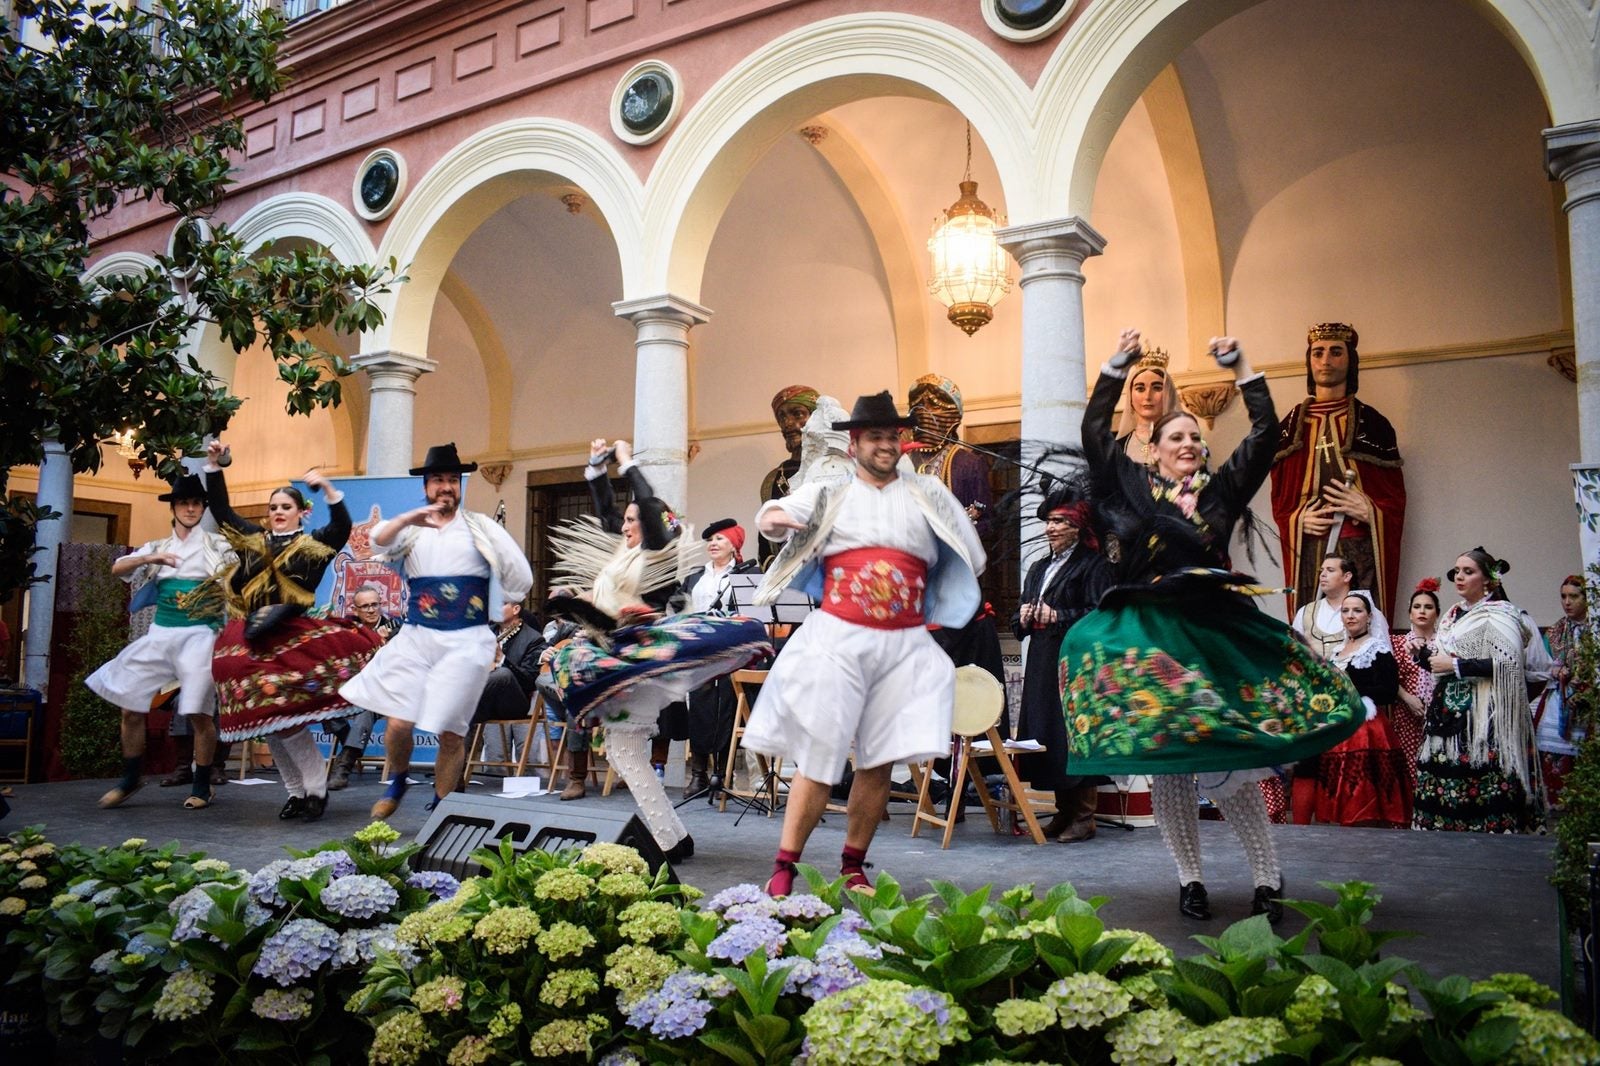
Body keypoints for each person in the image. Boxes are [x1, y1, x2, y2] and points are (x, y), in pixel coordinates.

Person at [1062, 329, 1363, 923]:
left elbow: (1264, 436)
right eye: (1178, 436)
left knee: (1226, 768)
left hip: (1211, 636)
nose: (1190, 444)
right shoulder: (1128, 491)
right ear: (1154, 449)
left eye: (1196, 437)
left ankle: (1266, 875)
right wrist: (1112, 369)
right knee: (1173, 771)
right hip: (1154, 640)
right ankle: (1189, 880)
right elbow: (1094, 437)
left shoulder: (1220, 494)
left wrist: (1244, 368)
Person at [745, 391, 985, 897]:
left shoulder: (928, 494)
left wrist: (922, 577)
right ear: (853, 444)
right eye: (873, 436)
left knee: (878, 760)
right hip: (839, 640)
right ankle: (785, 867)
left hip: (902, 645)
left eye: (892, 435)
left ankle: (853, 866)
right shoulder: (830, 494)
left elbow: (971, 554)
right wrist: (776, 521)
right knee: (819, 754)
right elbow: (771, 514)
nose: (885, 444)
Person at [548, 439, 771, 859]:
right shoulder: (624, 549)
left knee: (626, 750)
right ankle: (673, 836)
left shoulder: (655, 553)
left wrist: (628, 461)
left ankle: (671, 840)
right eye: (626, 519)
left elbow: (647, 506)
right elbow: (609, 513)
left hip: (641, 659)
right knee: (622, 750)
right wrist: (596, 468)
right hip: (621, 657)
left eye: (634, 519)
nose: (625, 524)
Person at [340, 442, 534, 820]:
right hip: (417, 636)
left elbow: (520, 577)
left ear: (459, 485)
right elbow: (377, 539)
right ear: (426, 486)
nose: (445, 486)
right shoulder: (411, 531)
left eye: (452, 479)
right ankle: (397, 782)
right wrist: (413, 517)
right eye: (437, 480)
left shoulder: (482, 529)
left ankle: (443, 808)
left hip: (466, 640)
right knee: (397, 722)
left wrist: (493, 600)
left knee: (450, 732)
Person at [201, 443, 383, 820]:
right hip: (255, 637)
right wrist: (214, 467)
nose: (278, 513)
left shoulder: (311, 546)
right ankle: (297, 793)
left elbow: (341, 528)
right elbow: (221, 511)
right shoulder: (253, 541)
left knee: (286, 721)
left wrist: (332, 492)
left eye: (286, 507)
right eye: (274, 508)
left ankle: (315, 791)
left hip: (292, 639)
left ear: (301, 512)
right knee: (271, 723)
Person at [89, 474, 233, 811]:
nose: (190, 508)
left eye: (196, 503)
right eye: (184, 502)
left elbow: (238, 580)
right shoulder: (158, 547)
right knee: (130, 705)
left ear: (202, 508)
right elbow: (118, 567)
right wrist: (148, 559)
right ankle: (131, 777)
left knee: (198, 712)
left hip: (201, 635)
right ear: (174, 507)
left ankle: (202, 784)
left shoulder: (218, 546)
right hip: (161, 634)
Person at [1270, 323, 1406, 617]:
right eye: (1318, 353)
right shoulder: (1289, 429)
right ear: (1309, 361)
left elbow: (1394, 501)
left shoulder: (1374, 426)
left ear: (1350, 360)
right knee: (1312, 622)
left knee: (1359, 622)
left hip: (1359, 550)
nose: (1326, 360)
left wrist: (1370, 510)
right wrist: (1297, 519)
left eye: (1335, 352)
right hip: (1309, 549)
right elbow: (1280, 502)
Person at [1413, 548, 1543, 833]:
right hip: (1447, 713)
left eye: (1468, 571)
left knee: (1485, 773)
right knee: (1448, 774)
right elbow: (1441, 659)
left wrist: (1455, 665)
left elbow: (1508, 664)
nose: (1459, 577)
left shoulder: (1503, 614)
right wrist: (1424, 655)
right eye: (1457, 571)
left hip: (1486, 715)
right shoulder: (1452, 615)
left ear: (1488, 579)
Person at [1013, 484, 1112, 843]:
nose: (1051, 528)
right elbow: (1017, 619)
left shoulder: (1094, 566)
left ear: (1078, 527)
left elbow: (1101, 613)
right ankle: (1063, 811)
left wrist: (1058, 615)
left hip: (1075, 664)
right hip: (1042, 659)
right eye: (1049, 521)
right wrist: (1023, 616)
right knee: (1047, 735)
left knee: (1073, 733)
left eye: (1060, 521)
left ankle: (1084, 816)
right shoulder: (1039, 568)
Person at [907, 374, 1006, 690]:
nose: (923, 412)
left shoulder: (966, 461)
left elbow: (988, 522)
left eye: (933, 404)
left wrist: (964, 525)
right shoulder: (908, 464)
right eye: (917, 405)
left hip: (955, 585)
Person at [1306, 592, 1410, 828]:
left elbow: (1389, 690)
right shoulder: (1337, 652)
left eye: (1357, 611)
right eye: (1345, 611)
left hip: (1367, 730)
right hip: (1339, 726)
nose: (1350, 616)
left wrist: (1350, 684)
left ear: (1369, 617)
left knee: (1364, 798)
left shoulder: (1377, 649)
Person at [676, 518, 761, 796]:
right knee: (699, 710)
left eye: (720, 539)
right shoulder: (694, 576)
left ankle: (722, 776)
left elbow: (752, 614)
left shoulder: (747, 574)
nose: (712, 543)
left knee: (726, 712)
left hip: (731, 652)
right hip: (700, 651)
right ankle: (699, 774)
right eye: (710, 539)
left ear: (734, 544)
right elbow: (681, 610)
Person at [327, 584, 401, 790]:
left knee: (365, 708)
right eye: (365, 606)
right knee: (324, 700)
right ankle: (348, 743)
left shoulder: (397, 628)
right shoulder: (348, 628)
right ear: (356, 609)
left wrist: (386, 644)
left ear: (381, 605)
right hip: (352, 689)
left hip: (385, 693)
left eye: (374, 605)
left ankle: (344, 767)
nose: (370, 610)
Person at [465, 604, 547, 776]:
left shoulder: (534, 639)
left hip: (514, 702)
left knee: (503, 674)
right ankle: (455, 775)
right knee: (461, 714)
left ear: (516, 609)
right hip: (486, 699)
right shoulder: (485, 632)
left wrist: (501, 658)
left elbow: (529, 681)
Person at [1534, 575, 1588, 807]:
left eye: (1573, 596)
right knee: (1552, 755)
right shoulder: (1555, 632)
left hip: (1588, 705)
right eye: (1564, 596)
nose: (1567, 602)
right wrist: (1555, 672)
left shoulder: (1594, 632)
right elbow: (1542, 666)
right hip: (1558, 701)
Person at [759, 386, 819, 568]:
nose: (788, 423)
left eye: (797, 414)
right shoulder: (773, 480)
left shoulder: (834, 468)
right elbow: (766, 545)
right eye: (782, 417)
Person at [1393, 577, 1443, 785]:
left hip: (1441, 714)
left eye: (1428, 607)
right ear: (1410, 614)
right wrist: (1408, 698)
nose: (1422, 611)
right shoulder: (1397, 643)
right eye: (1417, 607)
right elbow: (1389, 678)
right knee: (1408, 766)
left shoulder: (1445, 643)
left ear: (1437, 613)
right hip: (1408, 714)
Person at [1113, 345, 1182, 464]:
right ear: (1130, 396)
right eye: (1140, 388)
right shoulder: (1118, 448)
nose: (1147, 396)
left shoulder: (1185, 443)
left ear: (1168, 394)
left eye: (1157, 388)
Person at [1293, 555, 1363, 659]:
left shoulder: (1366, 612)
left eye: (1330, 570)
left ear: (1347, 576)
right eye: (1321, 570)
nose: (1322, 575)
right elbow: (1293, 651)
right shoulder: (1305, 612)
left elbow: (1382, 656)